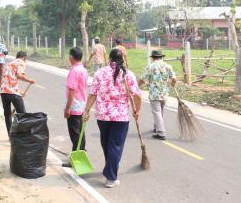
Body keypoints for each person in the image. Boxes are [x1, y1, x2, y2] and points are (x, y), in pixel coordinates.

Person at [83, 49, 141, 188]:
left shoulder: (100, 73)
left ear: (109, 58)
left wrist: (86, 110)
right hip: (120, 116)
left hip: (102, 116)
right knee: (115, 145)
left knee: (106, 143)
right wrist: (137, 111)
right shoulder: (129, 75)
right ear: (123, 59)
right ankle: (111, 177)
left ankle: (111, 166)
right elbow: (137, 95)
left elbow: (93, 94)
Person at [138, 50, 177, 140]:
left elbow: (143, 79)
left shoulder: (150, 66)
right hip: (164, 93)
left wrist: (137, 86)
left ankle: (161, 133)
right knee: (160, 111)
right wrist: (173, 83)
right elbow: (174, 79)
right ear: (161, 57)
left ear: (153, 58)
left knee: (157, 112)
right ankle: (157, 127)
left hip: (154, 93)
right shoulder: (168, 66)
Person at [62, 47, 89, 168]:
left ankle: (76, 159)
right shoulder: (83, 69)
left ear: (71, 57)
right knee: (80, 132)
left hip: (75, 104)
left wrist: (67, 108)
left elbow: (72, 90)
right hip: (81, 103)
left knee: (75, 134)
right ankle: (82, 153)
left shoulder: (74, 71)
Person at [0, 51, 35, 134]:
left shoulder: (10, 64)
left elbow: (10, 80)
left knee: (7, 114)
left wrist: (20, 91)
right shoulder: (21, 62)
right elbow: (20, 75)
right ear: (24, 58)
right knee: (22, 114)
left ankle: (10, 135)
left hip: (4, 92)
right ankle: (24, 135)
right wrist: (30, 80)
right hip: (12, 92)